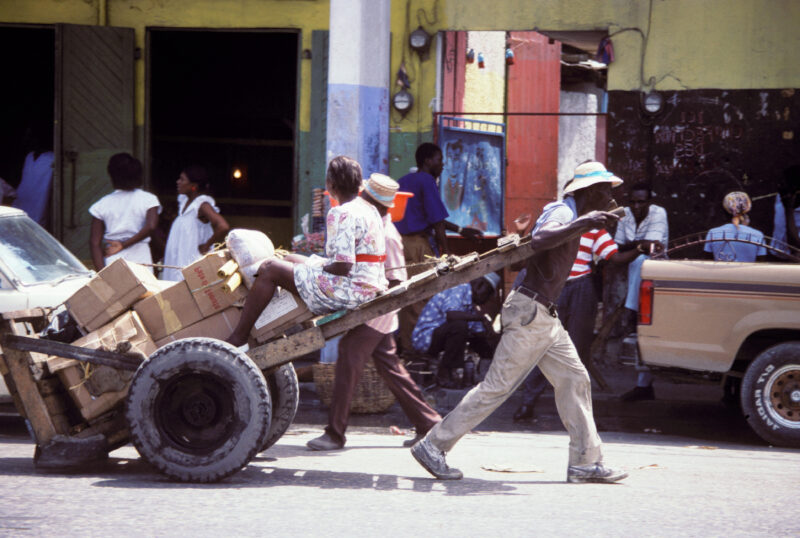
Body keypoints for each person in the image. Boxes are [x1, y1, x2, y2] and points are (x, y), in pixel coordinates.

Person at [410, 161, 628, 484]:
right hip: (530, 313)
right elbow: (541, 239)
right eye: (604, 191)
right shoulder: (564, 213)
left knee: (575, 378)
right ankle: (433, 444)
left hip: (544, 317)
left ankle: (585, 461)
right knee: (496, 388)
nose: (608, 197)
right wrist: (585, 221)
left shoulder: (574, 218)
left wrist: (587, 223)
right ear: (589, 192)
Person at [306, 173, 442, 451]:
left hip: (378, 311)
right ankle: (429, 422)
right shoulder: (375, 225)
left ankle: (335, 433)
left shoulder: (387, 234)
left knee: (348, 359)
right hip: (375, 309)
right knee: (390, 368)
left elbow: (395, 282)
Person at [226, 156, 387, 347]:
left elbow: (343, 266)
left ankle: (239, 337)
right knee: (289, 258)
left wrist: (316, 270)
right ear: (359, 184)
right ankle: (269, 328)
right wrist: (314, 266)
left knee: (270, 268)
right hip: (367, 285)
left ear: (331, 185)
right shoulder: (370, 209)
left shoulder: (341, 212)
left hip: (351, 290)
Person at [513, 225, 641, 421]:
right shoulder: (555, 223)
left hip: (581, 288)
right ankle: (528, 403)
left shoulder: (595, 228)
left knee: (576, 350)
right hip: (554, 287)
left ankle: (570, 408)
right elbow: (529, 254)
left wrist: (639, 250)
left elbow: (614, 257)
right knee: (543, 346)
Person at [396, 142, 483, 353]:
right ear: (427, 161)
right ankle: (419, 348)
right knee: (422, 295)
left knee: (407, 298)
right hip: (417, 245)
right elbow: (436, 221)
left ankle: (407, 346)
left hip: (400, 244)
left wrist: (461, 230)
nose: (442, 165)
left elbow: (432, 217)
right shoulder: (427, 180)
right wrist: (446, 252)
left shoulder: (404, 180)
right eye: (439, 160)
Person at [614, 182, 668, 402]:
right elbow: (619, 247)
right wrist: (638, 245)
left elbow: (653, 247)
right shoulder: (624, 214)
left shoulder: (658, 213)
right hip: (630, 275)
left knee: (642, 261)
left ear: (649, 201)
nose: (636, 206)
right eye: (633, 202)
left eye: (641, 202)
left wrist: (634, 246)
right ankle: (643, 386)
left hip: (656, 276)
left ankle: (630, 309)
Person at [411, 274, 500, 388]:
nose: (486, 300)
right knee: (459, 325)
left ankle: (483, 374)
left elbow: (479, 333)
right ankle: (445, 373)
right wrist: (481, 318)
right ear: (479, 285)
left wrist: (490, 334)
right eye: (487, 294)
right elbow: (452, 315)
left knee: (475, 336)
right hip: (425, 339)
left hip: (441, 337)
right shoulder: (459, 289)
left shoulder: (472, 306)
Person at [88, 153, 161, 272]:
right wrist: (123, 245)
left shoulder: (101, 205)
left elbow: (94, 243)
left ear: (111, 175)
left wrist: (102, 274)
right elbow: (151, 226)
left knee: (115, 290)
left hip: (114, 257)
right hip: (141, 257)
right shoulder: (148, 199)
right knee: (146, 290)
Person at [161, 165, 230, 281]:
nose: (178, 182)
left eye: (182, 179)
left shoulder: (202, 204)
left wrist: (206, 246)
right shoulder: (184, 201)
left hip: (190, 255)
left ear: (193, 186)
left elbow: (223, 226)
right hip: (179, 256)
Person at [704, 191, 766, 262]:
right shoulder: (758, 235)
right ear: (747, 209)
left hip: (719, 273)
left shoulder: (712, 233)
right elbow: (761, 265)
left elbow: (707, 262)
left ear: (725, 210)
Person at [12, 126, 54, 227]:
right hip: (24, 202)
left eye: (30, 137)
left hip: (41, 205)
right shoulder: (29, 157)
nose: (27, 140)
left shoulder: (51, 158)